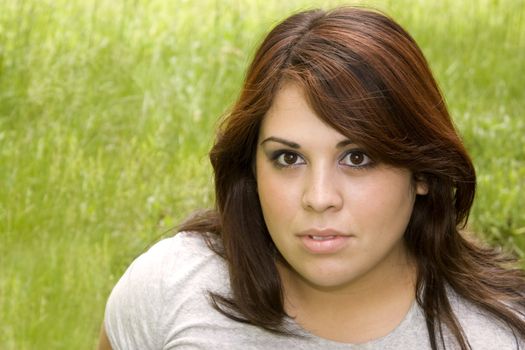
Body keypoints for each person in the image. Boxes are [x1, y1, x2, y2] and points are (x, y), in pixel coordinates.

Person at [98, 6, 525, 350]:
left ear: (423, 172)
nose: (319, 198)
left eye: (357, 157)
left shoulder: (502, 334)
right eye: (288, 157)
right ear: (251, 167)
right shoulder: (169, 287)